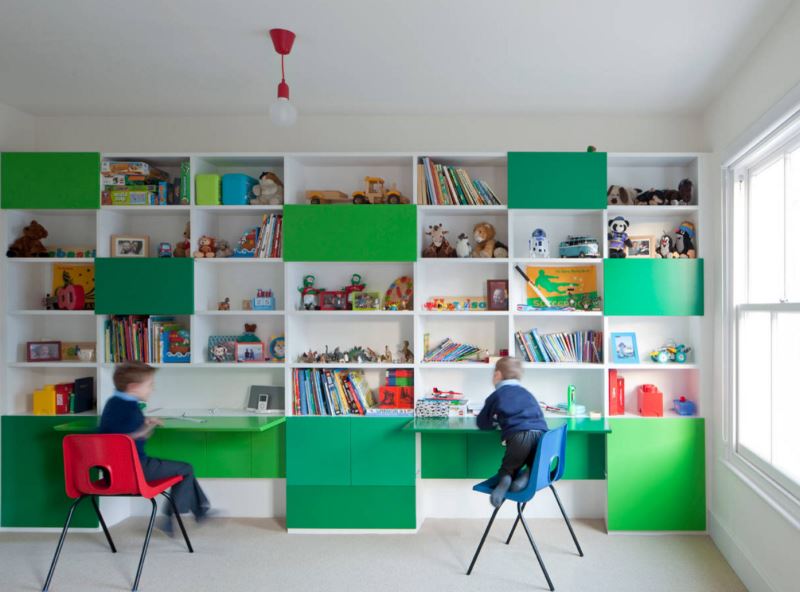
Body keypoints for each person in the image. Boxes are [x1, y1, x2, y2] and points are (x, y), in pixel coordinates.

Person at [98, 362, 212, 533]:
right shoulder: (131, 409)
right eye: (150, 385)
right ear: (134, 387)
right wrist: (148, 426)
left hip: (112, 471)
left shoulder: (113, 403)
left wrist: (144, 424)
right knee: (186, 469)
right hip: (135, 470)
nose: (152, 389)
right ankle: (173, 517)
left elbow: (119, 433)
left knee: (182, 470)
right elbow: (129, 438)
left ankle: (201, 511)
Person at [476, 357, 548, 507]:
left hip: (518, 436)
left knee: (509, 467)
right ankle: (529, 473)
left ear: (497, 375)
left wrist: (494, 424)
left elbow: (482, 423)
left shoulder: (496, 396)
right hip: (542, 435)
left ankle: (506, 479)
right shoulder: (526, 393)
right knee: (532, 461)